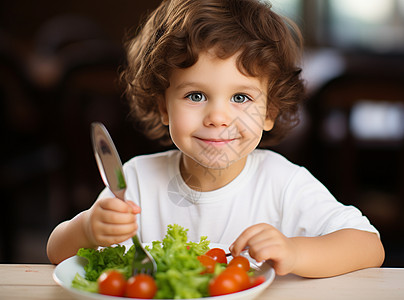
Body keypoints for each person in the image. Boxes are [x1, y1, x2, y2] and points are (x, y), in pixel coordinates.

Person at [47, 0, 384, 278]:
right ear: (163, 107)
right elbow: (55, 251)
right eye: (195, 96)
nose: (218, 117)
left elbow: (369, 246)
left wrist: (295, 252)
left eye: (241, 98)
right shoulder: (135, 180)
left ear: (270, 111)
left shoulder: (283, 183)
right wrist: (89, 229)